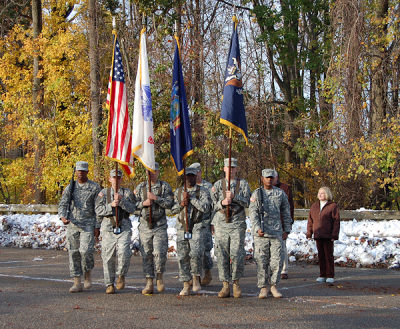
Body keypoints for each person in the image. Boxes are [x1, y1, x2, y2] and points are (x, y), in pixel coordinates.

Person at [58, 161, 101, 293]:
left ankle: (87, 273)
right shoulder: (70, 187)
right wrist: (62, 217)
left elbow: (98, 208)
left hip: (88, 224)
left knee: (86, 251)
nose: (80, 173)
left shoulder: (94, 188)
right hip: (73, 224)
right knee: (73, 252)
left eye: (83, 171)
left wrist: (97, 226)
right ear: (75, 171)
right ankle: (77, 281)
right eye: (78, 170)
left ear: (87, 171)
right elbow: (63, 204)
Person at [210, 158, 251, 298]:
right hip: (221, 224)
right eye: (228, 167)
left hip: (237, 224)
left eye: (233, 167)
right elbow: (210, 205)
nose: (231, 169)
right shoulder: (217, 185)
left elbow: (248, 203)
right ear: (224, 168)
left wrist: (235, 197)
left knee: (237, 254)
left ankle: (236, 283)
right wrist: (222, 202)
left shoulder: (243, 184)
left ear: (236, 169)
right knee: (222, 255)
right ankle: (225, 285)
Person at [249, 169, 292, 299]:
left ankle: (273, 286)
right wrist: (257, 228)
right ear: (262, 178)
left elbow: (286, 212)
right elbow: (253, 213)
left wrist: (286, 230)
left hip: (276, 233)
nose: (269, 180)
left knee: (277, 262)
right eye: (267, 177)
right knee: (261, 262)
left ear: (275, 179)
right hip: (261, 235)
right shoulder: (256, 194)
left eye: (271, 178)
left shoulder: (280, 194)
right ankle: (263, 287)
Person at [135, 162, 174, 294]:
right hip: (145, 227)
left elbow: (170, 204)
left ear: (158, 172)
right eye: (149, 171)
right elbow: (132, 206)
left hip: (159, 226)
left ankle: (159, 276)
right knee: (146, 254)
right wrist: (143, 203)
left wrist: (156, 198)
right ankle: (149, 281)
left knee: (160, 253)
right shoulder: (140, 187)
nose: (151, 173)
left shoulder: (164, 187)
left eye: (154, 171)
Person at [95, 169, 137, 294]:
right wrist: (110, 205)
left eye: (118, 178)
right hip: (108, 229)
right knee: (108, 258)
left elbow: (133, 208)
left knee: (124, 253)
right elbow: (98, 210)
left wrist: (122, 201)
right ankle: (109, 283)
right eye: (114, 177)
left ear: (121, 179)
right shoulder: (103, 193)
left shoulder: (127, 193)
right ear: (110, 179)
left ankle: (121, 275)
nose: (116, 180)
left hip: (123, 228)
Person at [171, 167, 211, 296]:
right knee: (183, 256)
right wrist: (181, 203)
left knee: (196, 253)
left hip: (197, 226)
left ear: (196, 177)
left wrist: (192, 199)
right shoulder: (178, 192)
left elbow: (206, 208)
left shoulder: (203, 191)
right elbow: (171, 210)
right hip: (182, 227)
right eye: (187, 176)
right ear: (184, 177)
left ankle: (196, 278)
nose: (190, 178)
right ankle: (185, 283)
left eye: (192, 176)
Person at [307, 187, 340, 284]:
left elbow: (336, 221)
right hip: (318, 235)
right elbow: (310, 221)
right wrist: (309, 233)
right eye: (319, 193)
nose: (320, 195)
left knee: (328, 255)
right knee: (321, 256)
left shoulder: (333, 206)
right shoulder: (314, 206)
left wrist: (334, 235)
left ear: (327, 194)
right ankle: (322, 274)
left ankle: (330, 275)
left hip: (328, 235)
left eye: (323, 193)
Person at [189, 162, 214, 286]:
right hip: (191, 223)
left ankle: (207, 271)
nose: (195, 174)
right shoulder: (188, 186)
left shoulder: (208, 187)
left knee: (205, 250)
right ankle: (195, 276)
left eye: (196, 171)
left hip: (205, 222)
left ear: (200, 172)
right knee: (193, 251)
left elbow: (212, 206)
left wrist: (213, 222)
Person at [273, 170, 294, 279]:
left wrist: (289, 222)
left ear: (276, 177)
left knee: (282, 246)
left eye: (273, 177)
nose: (271, 179)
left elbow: (290, 206)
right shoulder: (262, 190)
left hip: (281, 222)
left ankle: (284, 269)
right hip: (269, 224)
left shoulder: (285, 188)